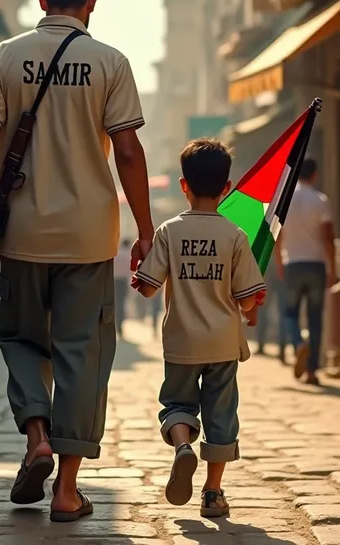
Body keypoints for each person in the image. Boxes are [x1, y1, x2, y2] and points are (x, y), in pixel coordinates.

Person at [0, 0, 153, 522]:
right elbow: (130, 150)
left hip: (20, 233)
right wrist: (143, 230)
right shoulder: (110, 62)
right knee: (81, 356)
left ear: (41, 1)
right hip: (91, 238)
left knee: (20, 339)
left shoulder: (4, 55)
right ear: (92, 3)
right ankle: (67, 490)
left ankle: (36, 434)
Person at [132, 139, 265, 518]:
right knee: (221, 416)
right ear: (226, 188)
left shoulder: (169, 231)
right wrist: (253, 309)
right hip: (223, 344)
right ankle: (212, 492)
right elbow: (246, 300)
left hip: (181, 342)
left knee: (176, 404)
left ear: (183, 185)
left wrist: (136, 274)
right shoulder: (236, 235)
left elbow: (146, 287)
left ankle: (182, 446)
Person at [275, 157, 336, 386]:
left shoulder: (286, 200)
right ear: (315, 175)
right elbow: (328, 238)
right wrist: (332, 268)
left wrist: (279, 263)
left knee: (289, 313)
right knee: (315, 317)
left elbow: (277, 235)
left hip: (292, 264)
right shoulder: (320, 200)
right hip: (316, 265)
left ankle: (298, 342)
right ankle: (311, 372)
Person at [255, 258, 287, 363]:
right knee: (282, 311)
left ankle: (261, 345)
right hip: (282, 266)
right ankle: (282, 349)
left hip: (268, 267)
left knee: (263, 309)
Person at [114, 238, 132, 339]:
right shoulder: (128, 254)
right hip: (123, 282)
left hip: (113, 281)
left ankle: (116, 326)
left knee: (115, 304)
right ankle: (119, 327)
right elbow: (131, 271)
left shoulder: (116, 253)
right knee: (121, 304)